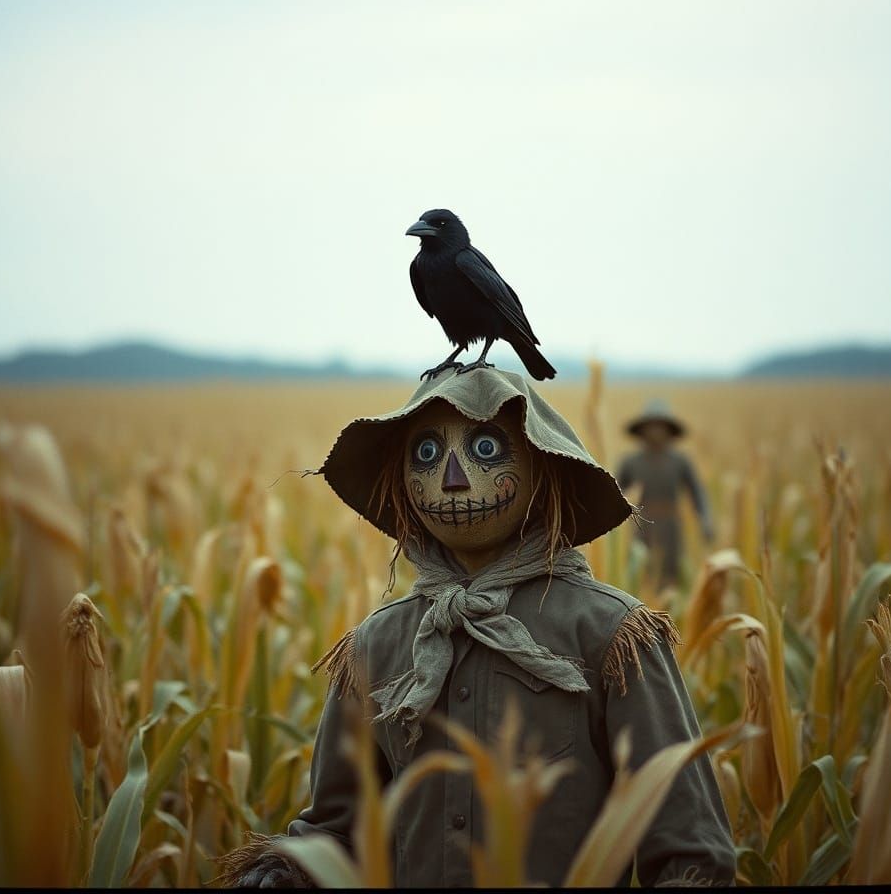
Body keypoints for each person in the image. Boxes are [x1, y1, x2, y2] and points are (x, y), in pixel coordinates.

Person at [220, 368, 734, 888]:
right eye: (425, 453)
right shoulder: (376, 646)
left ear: (543, 466)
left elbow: (690, 853)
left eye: (486, 448)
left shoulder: (611, 635)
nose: (453, 478)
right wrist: (286, 871)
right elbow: (338, 827)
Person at [616, 398, 715, 588]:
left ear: (669, 431)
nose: (656, 431)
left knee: (671, 574)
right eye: (651, 426)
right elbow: (613, 493)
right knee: (640, 573)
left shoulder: (680, 461)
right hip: (641, 525)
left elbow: (697, 492)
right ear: (642, 431)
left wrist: (705, 518)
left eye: (660, 426)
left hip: (671, 527)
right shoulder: (630, 462)